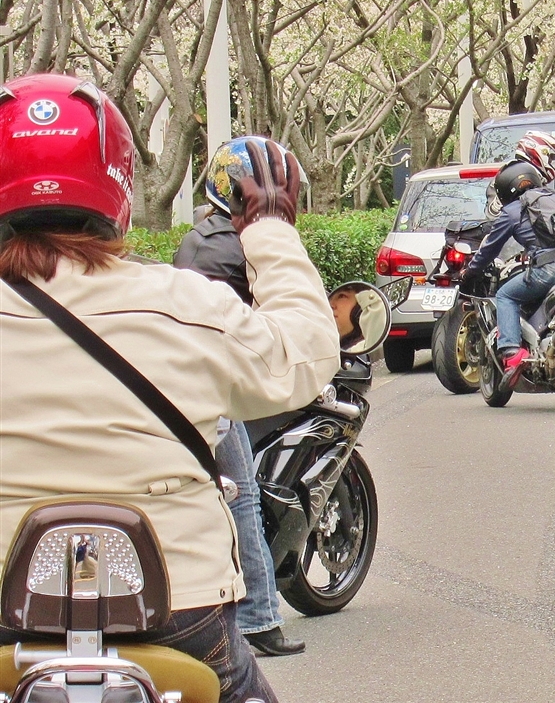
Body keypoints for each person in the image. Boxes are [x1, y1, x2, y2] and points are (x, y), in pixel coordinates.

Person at [0, 73, 340, 702]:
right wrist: (268, 228)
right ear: (119, 183)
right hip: (179, 611)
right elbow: (304, 355)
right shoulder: (185, 304)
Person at [172, 137, 307, 657]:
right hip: (214, 392)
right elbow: (281, 327)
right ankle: (259, 618)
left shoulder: (196, 238)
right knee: (243, 494)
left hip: (176, 382)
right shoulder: (245, 246)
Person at [461, 160, 555, 386]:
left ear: (505, 190)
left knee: (506, 295)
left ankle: (512, 354)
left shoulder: (513, 210)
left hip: (550, 269)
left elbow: (489, 249)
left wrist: (470, 272)